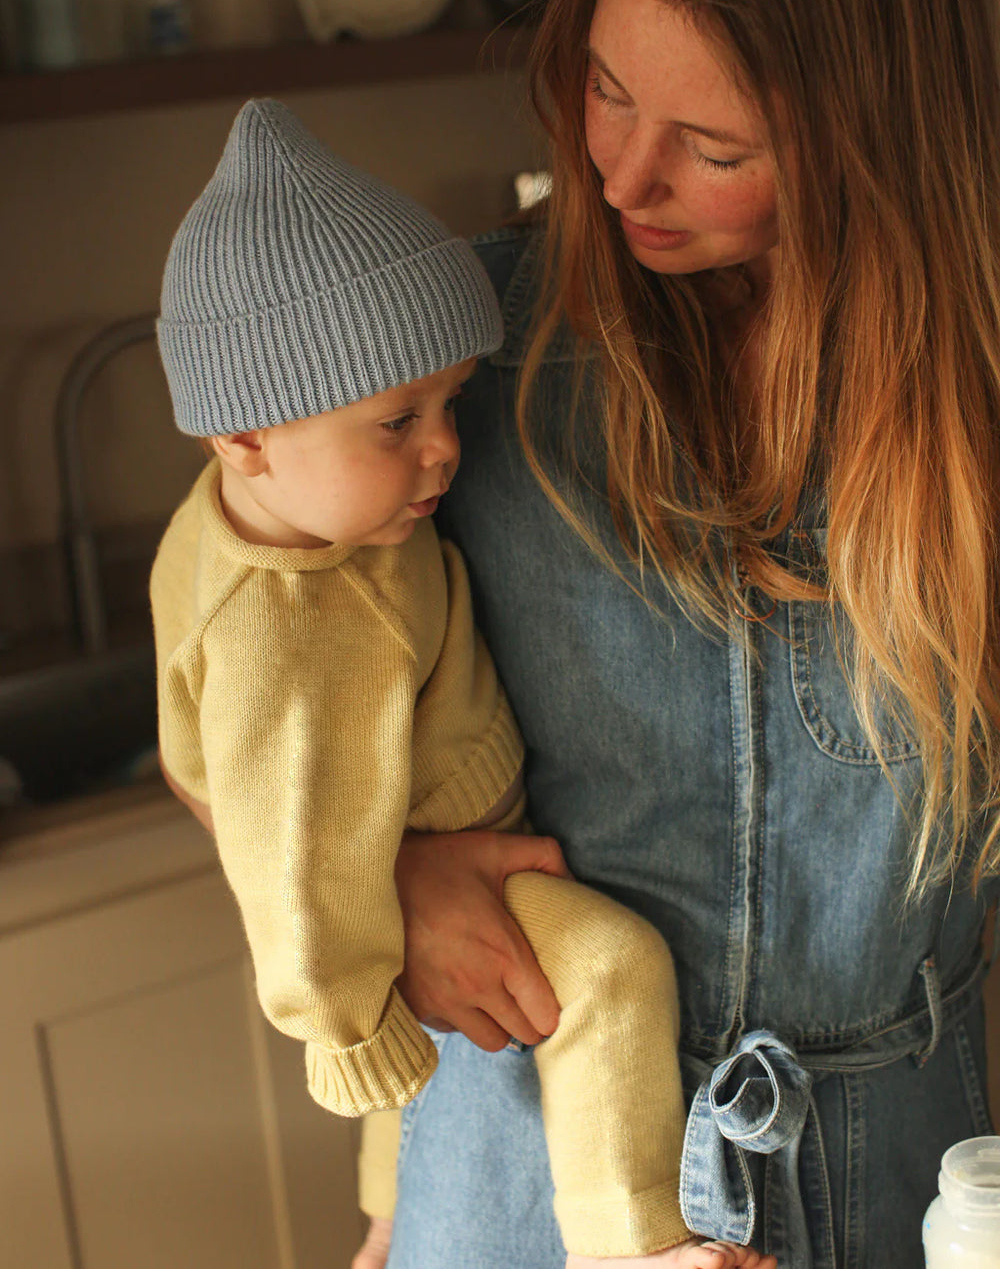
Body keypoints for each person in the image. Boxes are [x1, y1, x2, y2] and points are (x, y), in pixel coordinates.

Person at [377, 0, 1000, 1269]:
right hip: (527, 1177)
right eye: (604, 88)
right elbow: (231, 674)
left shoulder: (972, 401)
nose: (620, 175)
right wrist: (379, 882)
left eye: (713, 145)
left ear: (877, 143)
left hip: (910, 1177)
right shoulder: (458, 352)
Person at [151, 97, 774, 1269]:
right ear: (244, 435)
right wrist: (343, 1029)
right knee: (605, 971)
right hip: (438, 839)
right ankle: (626, 1243)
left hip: (412, 835)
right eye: (398, 421)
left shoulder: (290, 511)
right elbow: (291, 859)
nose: (442, 447)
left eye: (450, 402)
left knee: (417, 1041)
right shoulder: (284, 632)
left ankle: (388, 1221)